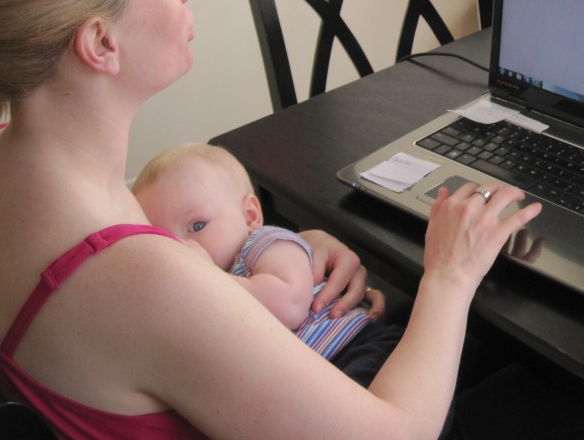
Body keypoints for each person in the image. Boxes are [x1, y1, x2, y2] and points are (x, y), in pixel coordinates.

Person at [0, 0, 543, 439]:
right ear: (101, 42)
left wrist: (273, 248)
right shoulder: (137, 277)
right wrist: (450, 274)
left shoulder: (16, 162)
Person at [133, 142, 399, 382]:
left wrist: (208, 279)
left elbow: (289, 304)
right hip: (316, 377)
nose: (181, 248)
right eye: (163, 239)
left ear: (250, 216)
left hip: (355, 348)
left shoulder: (265, 244)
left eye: (197, 225)